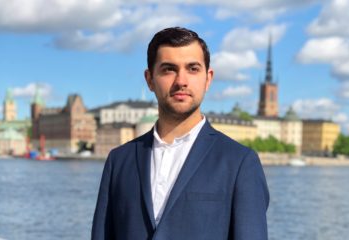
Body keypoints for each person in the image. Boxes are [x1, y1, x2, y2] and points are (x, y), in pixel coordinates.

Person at [92, 27, 269, 240]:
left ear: (208, 78)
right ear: (149, 79)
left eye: (193, 69)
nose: (181, 81)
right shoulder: (119, 161)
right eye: (169, 69)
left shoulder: (239, 163)